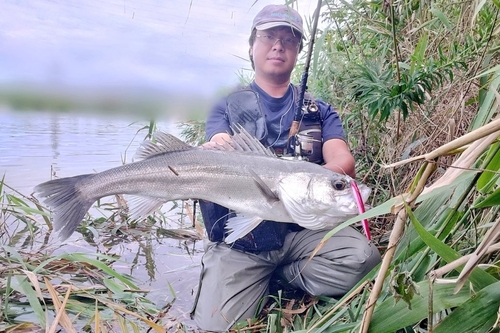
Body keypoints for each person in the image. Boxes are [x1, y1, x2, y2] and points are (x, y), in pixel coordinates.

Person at [190, 4, 381, 331]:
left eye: (289, 39)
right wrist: (218, 146)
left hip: (304, 231)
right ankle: (251, 274)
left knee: (364, 260)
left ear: (298, 51)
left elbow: (342, 158)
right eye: (268, 37)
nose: (278, 45)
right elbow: (220, 139)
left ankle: (283, 273)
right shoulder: (225, 105)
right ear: (252, 46)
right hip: (243, 242)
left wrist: (319, 180)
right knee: (214, 326)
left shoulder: (320, 111)